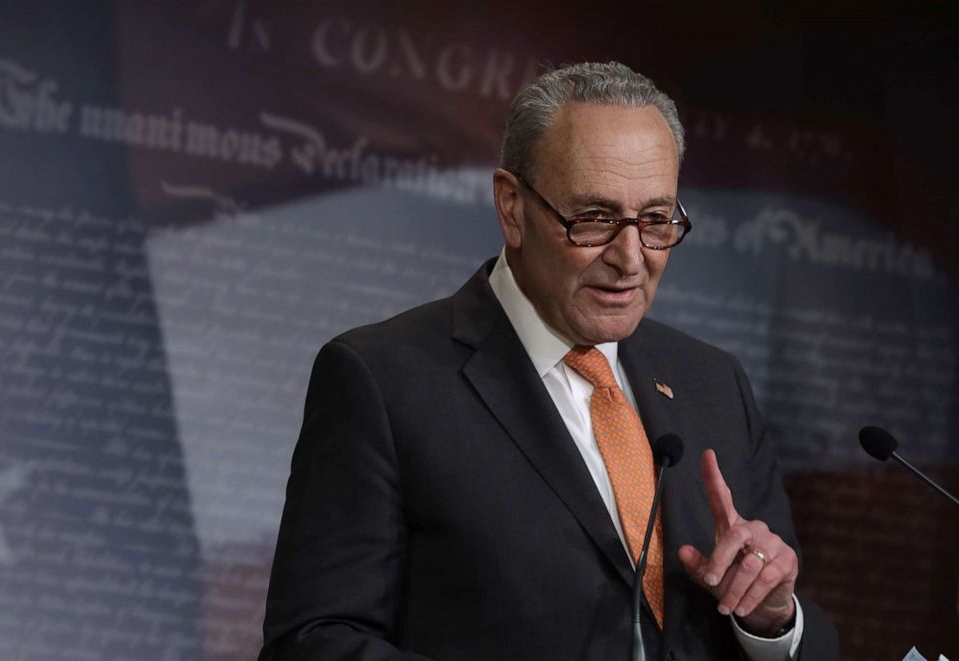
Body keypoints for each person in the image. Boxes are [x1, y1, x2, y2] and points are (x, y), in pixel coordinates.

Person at [259, 62, 838, 660]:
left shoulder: (712, 383)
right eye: (594, 219)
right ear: (512, 207)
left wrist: (772, 620)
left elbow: (808, 641)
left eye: (657, 221)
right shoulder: (382, 381)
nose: (631, 258)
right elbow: (313, 642)